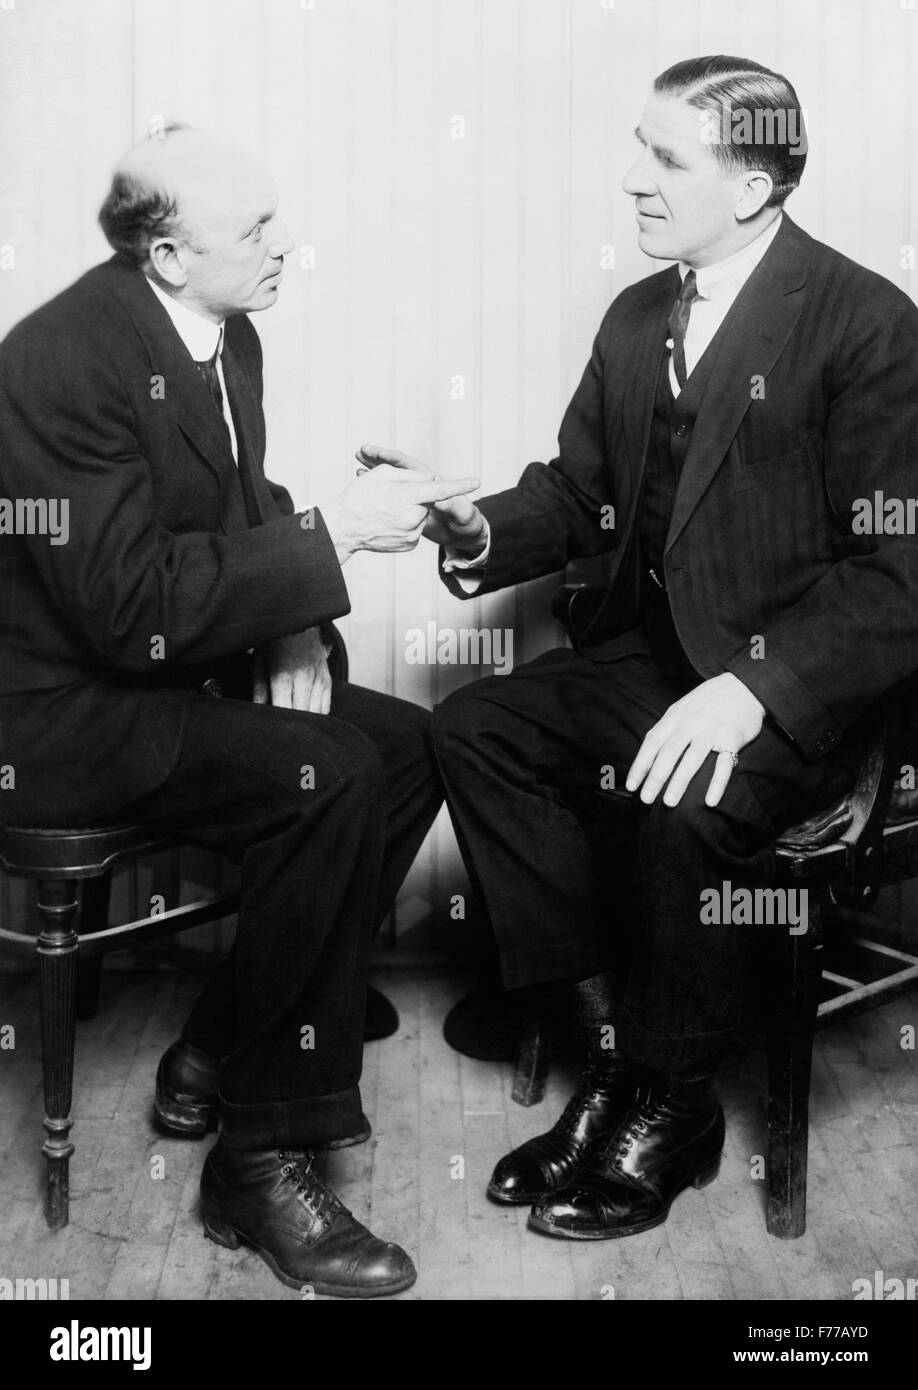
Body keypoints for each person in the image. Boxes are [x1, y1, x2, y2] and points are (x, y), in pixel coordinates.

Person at [359, 55, 918, 1241]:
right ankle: (616, 1055)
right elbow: (581, 492)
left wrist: (755, 692)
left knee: (682, 802)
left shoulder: (869, 325)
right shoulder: (635, 315)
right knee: (476, 731)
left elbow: (899, 572)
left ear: (755, 185)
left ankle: (675, 1106)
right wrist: (481, 529)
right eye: (639, 149)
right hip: (657, 659)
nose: (631, 182)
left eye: (665, 159)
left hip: (804, 693)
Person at [0, 124, 478, 1296]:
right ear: (167, 254)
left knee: (408, 744)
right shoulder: (59, 363)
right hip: (60, 714)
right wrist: (331, 541)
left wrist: (298, 626)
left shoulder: (225, 331)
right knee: (332, 777)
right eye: (255, 229)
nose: (285, 244)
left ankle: (218, 1045)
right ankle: (259, 1160)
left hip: (157, 680)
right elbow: (122, 609)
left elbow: (231, 501)